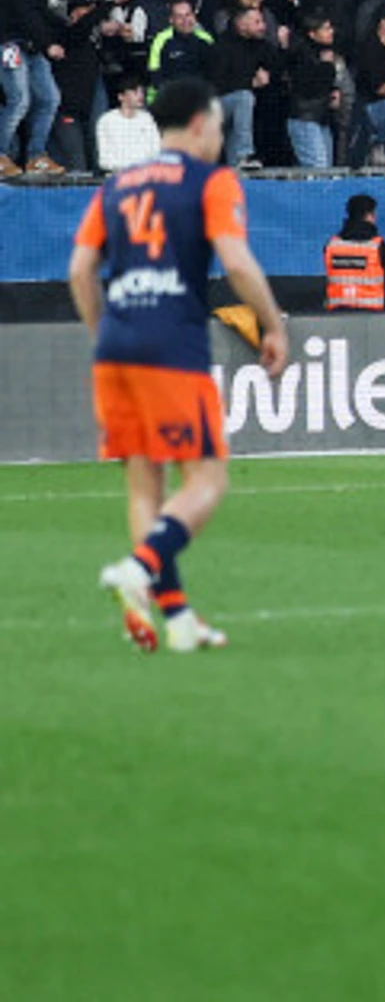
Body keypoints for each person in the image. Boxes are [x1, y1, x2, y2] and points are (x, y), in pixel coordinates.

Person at [71, 77, 285, 654]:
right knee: (207, 477)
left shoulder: (116, 186)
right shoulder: (212, 181)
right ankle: (139, 569)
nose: (220, 138)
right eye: (218, 127)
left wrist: (103, 334)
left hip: (116, 342)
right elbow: (236, 260)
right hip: (173, 345)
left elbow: (79, 270)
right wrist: (273, 324)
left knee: (145, 482)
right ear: (199, 124)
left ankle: (177, 620)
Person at [319, 190, 385, 312]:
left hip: (337, 314)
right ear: (369, 215)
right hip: (373, 316)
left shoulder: (331, 245)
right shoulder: (379, 246)